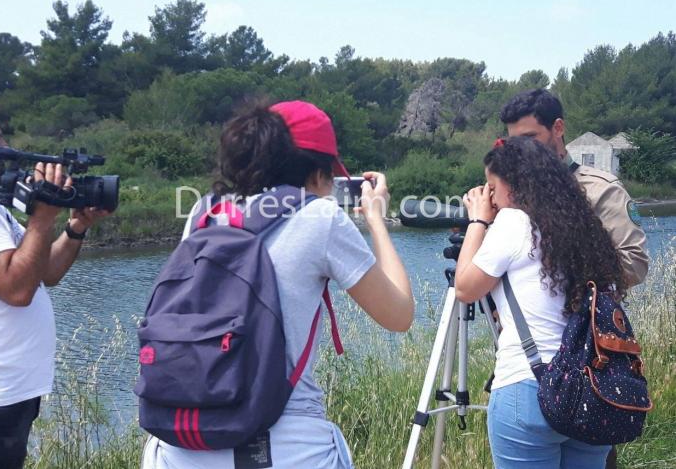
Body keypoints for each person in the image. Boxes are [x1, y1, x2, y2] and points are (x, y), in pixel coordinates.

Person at [142, 100, 414, 469]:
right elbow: (398, 315)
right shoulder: (320, 217)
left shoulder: (204, 212)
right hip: (286, 446)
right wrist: (377, 221)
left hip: (181, 445)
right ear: (318, 172)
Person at [455, 136, 624, 468]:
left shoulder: (513, 221)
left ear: (514, 189)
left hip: (529, 389)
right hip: (592, 389)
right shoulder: (584, 227)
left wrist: (477, 220)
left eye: (492, 187)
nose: (491, 197)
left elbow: (465, 288)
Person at [0, 105, 109, 469]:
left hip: (8, 393)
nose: (7, 146)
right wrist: (41, 219)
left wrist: (74, 227)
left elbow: (44, 272)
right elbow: (17, 290)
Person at [500, 88, 648, 288]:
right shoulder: (510, 192)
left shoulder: (602, 190)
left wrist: (557, 261)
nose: (521, 149)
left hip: (580, 315)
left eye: (530, 137)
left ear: (558, 128)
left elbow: (635, 266)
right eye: (514, 142)